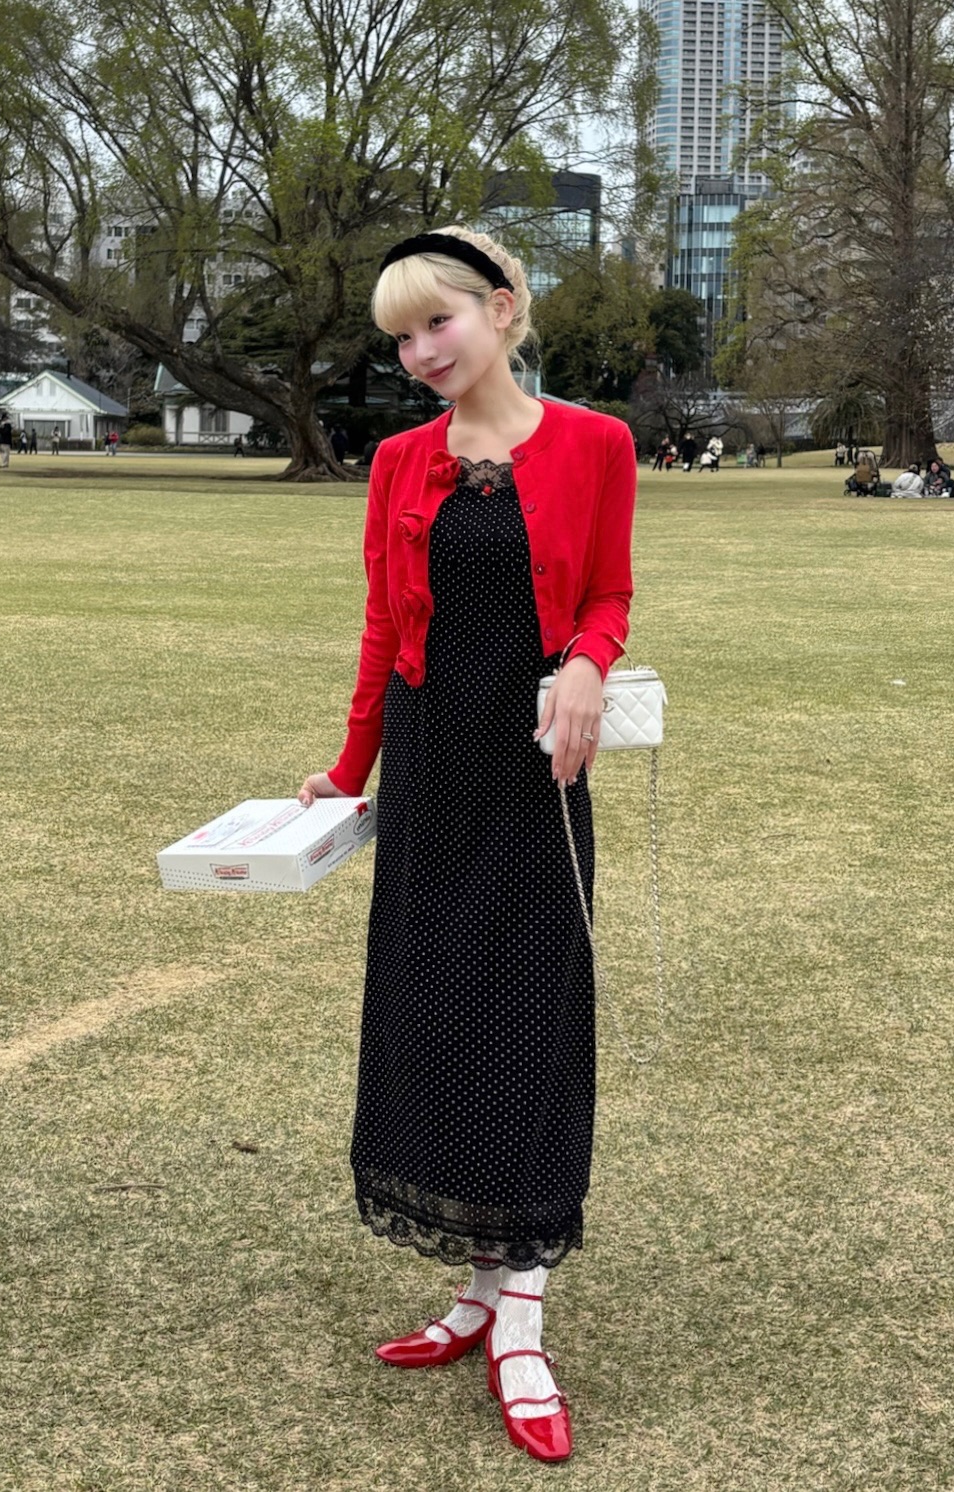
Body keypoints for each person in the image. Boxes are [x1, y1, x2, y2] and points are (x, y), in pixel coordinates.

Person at [297, 226, 636, 1465]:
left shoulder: (597, 444)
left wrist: (589, 662)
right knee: (438, 1015)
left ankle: (522, 1317)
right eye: (399, 337)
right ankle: (482, 1289)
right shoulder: (399, 462)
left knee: (530, 1019)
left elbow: (607, 589)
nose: (419, 352)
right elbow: (384, 627)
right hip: (433, 770)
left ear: (501, 308)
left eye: (435, 322)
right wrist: (348, 774)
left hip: (535, 772)